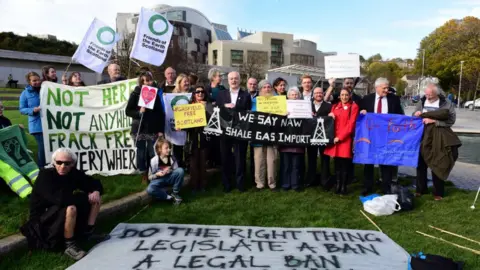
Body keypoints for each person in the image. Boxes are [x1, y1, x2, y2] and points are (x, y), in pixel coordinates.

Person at [20, 148, 105, 261]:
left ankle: (88, 233)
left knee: (95, 199)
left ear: (72, 164)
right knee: (71, 208)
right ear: (54, 162)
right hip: (43, 217)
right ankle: (69, 245)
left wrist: (96, 191)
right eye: (59, 162)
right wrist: (85, 197)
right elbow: (60, 200)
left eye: (67, 163)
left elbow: (93, 182)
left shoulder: (72, 173)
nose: (62, 166)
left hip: (59, 208)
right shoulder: (46, 176)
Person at [413, 83, 461, 200]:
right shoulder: (422, 102)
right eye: (426, 94)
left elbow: (451, 121)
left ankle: (438, 192)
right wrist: (416, 114)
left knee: (438, 162)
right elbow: (414, 117)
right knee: (421, 163)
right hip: (423, 136)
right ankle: (420, 189)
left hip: (439, 136)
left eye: (430, 95)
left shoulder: (446, 104)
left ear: (437, 94)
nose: (428, 97)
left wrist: (435, 122)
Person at [359, 78, 404, 195]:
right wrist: (362, 112)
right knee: (368, 162)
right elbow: (359, 114)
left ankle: (386, 187)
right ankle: (367, 187)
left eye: (387, 87)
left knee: (385, 162)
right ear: (377, 87)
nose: (386, 90)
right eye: (384, 88)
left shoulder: (394, 99)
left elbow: (400, 116)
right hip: (371, 136)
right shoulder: (367, 99)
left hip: (387, 136)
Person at [126, 72, 165, 184]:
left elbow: (160, 114)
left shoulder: (155, 94)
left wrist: (160, 130)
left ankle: (153, 173)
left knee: (153, 152)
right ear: (141, 82)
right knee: (141, 152)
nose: (149, 83)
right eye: (146, 81)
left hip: (152, 128)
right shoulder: (135, 94)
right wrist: (139, 112)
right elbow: (128, 111)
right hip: (139, 128)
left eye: (150, 80)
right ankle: (144, 173)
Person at [216, 71, 252, 192]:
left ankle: (240, 184)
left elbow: (248, 113)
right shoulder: (221, 94)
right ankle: (226, 184)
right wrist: (224, 106)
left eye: (236, 78)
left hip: (240, 132)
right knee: (225, 158)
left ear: (239, 79)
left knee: (240, 158)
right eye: (231, 79)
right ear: (228, 80)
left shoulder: (246, 95)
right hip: (225, 132)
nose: (233, 81)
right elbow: (217, 110)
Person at [324, 88, 359, 194]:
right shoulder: (335, 106)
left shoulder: (354, 106)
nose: (344, 97)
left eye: (346, 95)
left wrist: (340, 137)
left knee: (344, 164)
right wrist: (330, 116)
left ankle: (344, 186)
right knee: (337, 163)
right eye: (342, 95)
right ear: (339, 96)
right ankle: (338, 184)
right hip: (335, 139)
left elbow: (351, 124)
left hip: (345, 139)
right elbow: (330, 122)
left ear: (350, 95)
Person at [251, 80, 278, 191]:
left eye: (269, 87)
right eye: (264, 87)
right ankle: (260, 183)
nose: (267, 89)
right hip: (258, 135)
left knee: (272, 160)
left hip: (272, 134)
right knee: (259, 159)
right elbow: (251, 115)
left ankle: (272, 183)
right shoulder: (254, 101)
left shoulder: (277, 101)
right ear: (260, 89)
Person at [187, 85, 212, 192]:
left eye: (202, 92)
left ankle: (203, 185)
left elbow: (212, 121)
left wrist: (206, 108)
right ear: (194, 94)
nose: (200, 93)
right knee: (193, 164)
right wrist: (180, 127)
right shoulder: (189, 106)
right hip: (193, 139)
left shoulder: (209, 106)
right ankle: (194, 186)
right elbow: (186, 122)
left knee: (203, 163)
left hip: (204, 138)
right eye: (197, 92)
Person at [278, 87, 305, 192]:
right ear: (288, 96)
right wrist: (282, 116)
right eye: (292, 95)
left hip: (298, 141)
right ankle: (285, 184)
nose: (294, 97)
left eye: (296, 95)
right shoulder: (282, 107)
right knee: (285, 164)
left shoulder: (303, 108)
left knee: (296, 165)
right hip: (286, 141)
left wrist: (309, 115)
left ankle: (295, 184)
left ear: (299, 96)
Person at [306, 87, 332, 188]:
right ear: (313, 94)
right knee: (311, 158)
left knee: (325, 158)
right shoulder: (308, 105)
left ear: (323, 94)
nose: (318, 95)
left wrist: (331, 115)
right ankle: (311, 180)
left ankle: (325, 181)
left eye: (320, 93)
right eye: (316, 93)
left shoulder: (329, 106)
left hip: (324, 135)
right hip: (311, 136)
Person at [19, 72, 45, 168]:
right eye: (34, 80)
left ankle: (51, 167)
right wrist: (32, 110)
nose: (37, 82)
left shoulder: (45, 89)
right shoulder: (24, 93)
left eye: (38, 80)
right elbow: (22, 109)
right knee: (43, 148)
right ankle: (41, 169)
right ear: (29, 82)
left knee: (51, 147)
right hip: (36, 125)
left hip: (50, 124)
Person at [147, 138, 184, 204]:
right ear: (160, 149)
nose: (169, 149)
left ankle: (175, 193)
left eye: (169, 147)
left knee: (180, 170)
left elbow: (177, 170)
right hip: (158, 180)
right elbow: (149, 177)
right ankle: (168, 197)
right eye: (166, 148)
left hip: (169, 178)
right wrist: (157, 174)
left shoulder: (172, 158)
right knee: (150, 189)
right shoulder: (154, 160)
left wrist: (170, 170)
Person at [204, 68, 225, 168]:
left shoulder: (223, 89)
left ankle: (219, 161)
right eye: (219, 76)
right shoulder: (206, 89)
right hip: (209, 118)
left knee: (219, 140)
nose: (220, 78)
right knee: (209, 140)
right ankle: (209, 161)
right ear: (213, 77)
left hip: (220, 119)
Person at [171, 74, 191, 168]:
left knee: (188, 147)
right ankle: (178, 166)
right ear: (179, 83)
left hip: (189, 125)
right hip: (177, 126)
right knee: (178, 147)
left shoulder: (192, 94)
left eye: (187, 81)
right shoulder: (172, 95)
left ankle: (188, 165)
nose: (187, 83)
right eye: (184, 81)